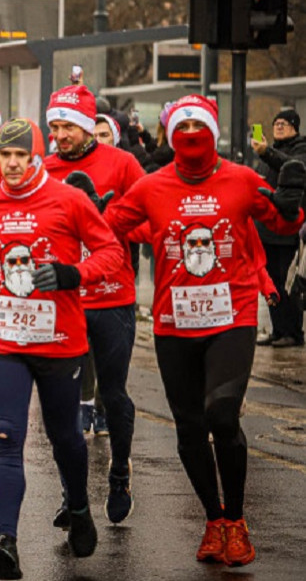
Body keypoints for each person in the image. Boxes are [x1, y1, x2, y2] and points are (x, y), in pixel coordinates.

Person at [104, 95, 305, 569]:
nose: (191, 131)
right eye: (183, 123)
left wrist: (294, 203)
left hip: (231, 317)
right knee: (190, 425)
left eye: (199, 123)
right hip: (175, 323)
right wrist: (90, 210)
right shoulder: (152, 186)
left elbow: (280, 220)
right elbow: (109, 226)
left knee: (221, 414)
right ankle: (213, 520)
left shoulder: (241, 178)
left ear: (213, 132)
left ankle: (236, 520)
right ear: (171, 133)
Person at [0, 117, 125, 579]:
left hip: (59, 341)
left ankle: (80, 506)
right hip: (3, 339)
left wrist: (73, 274)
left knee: (64, 435)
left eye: (19, 156)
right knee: (6, 435)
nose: (10, 164)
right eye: (3, 155)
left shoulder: (69, 199)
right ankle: (5, 541)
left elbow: (111, 253)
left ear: (34, 157)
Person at [41, 84, 146, 527]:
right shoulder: (43, 169)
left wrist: (110, 217)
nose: (60, 134)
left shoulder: (121, 164)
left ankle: (119, 471)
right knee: (63, 403)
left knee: (114, 394)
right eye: (54, 126)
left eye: (68, 126)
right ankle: (72, 492)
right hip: (63, 301)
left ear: (88, 126)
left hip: (112, 297)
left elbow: (148, 221)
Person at [251, 108, 306, 347]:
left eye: (284, 123)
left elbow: (293, 167)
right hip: (267, 229)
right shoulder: (268, 153)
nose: (279, 127)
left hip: (290, 229)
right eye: (276, 123)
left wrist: (266, 153)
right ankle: (277, 329)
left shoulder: (300, 149)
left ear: (295, 127)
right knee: (272, 282)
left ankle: (293, 333)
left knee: (288, 282)